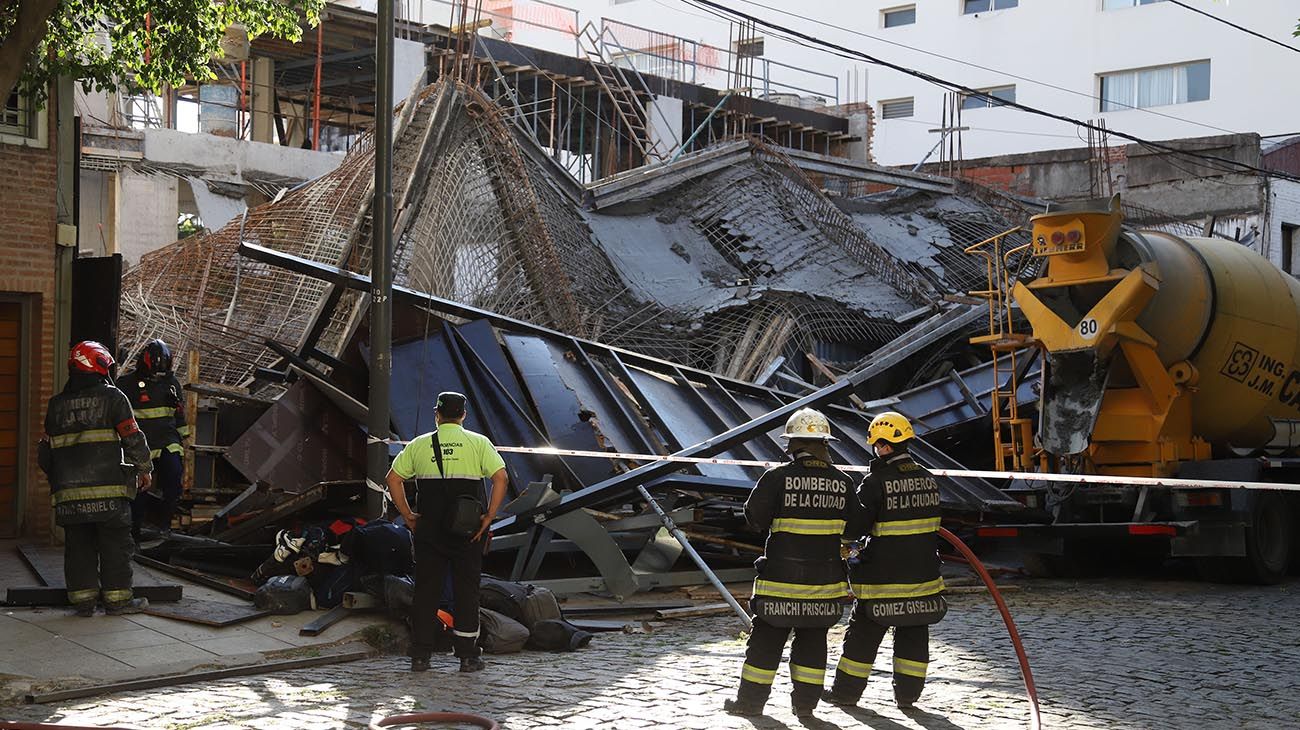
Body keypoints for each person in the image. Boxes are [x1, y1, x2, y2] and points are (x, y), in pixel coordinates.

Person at [725, 407, 860, 719]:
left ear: (792, 445)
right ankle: (806, 706)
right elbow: (856, 527)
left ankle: (750, 704)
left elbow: (755, 519)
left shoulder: (776, 478)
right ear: (825, 444)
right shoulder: (842, 482)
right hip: (824, 586)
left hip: (780, 585)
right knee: (812, 645)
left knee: (765, 645)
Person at [826, 411, 946, 710]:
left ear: (884, 446)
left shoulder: (876, 481)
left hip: (882, 578)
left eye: (877, 445)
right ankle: (908, 697)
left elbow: (855, 527)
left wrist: (844, 544)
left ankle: (845, 694)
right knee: (914, 635)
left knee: (862, 638)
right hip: (923, 577)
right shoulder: (928, 480)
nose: (876, 450)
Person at [385, 392, 509, 673]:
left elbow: (393, 479)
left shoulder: (419, 445)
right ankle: (468, 656)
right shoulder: (478, 443)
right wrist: (488, 516)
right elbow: (501, 478)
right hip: (468, 531)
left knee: (427, 591)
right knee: (467, 590)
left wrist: (407, 515)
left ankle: (420, 655)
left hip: (429, 529)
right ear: (463, 415)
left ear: (437, 415)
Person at [39, 341, 154, 616]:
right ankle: (118, 601)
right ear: (100, 364)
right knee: (115, 546)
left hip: (69, 497)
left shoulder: (55, 406)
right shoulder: (113, 398)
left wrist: (61, 482)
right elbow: (132, 437)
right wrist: (144, 469)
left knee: (78, 549)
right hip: (109, 494)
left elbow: (45, 454)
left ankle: (83, 601)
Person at [118, 339, 189, 543]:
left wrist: (184, 437)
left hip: (168, 441)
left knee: (173, 479)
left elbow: (179, 416)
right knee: (139, 490)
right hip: (140, 445)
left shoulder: (172, 383)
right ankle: (135, 531)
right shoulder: (126, 384)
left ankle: (165, 526)